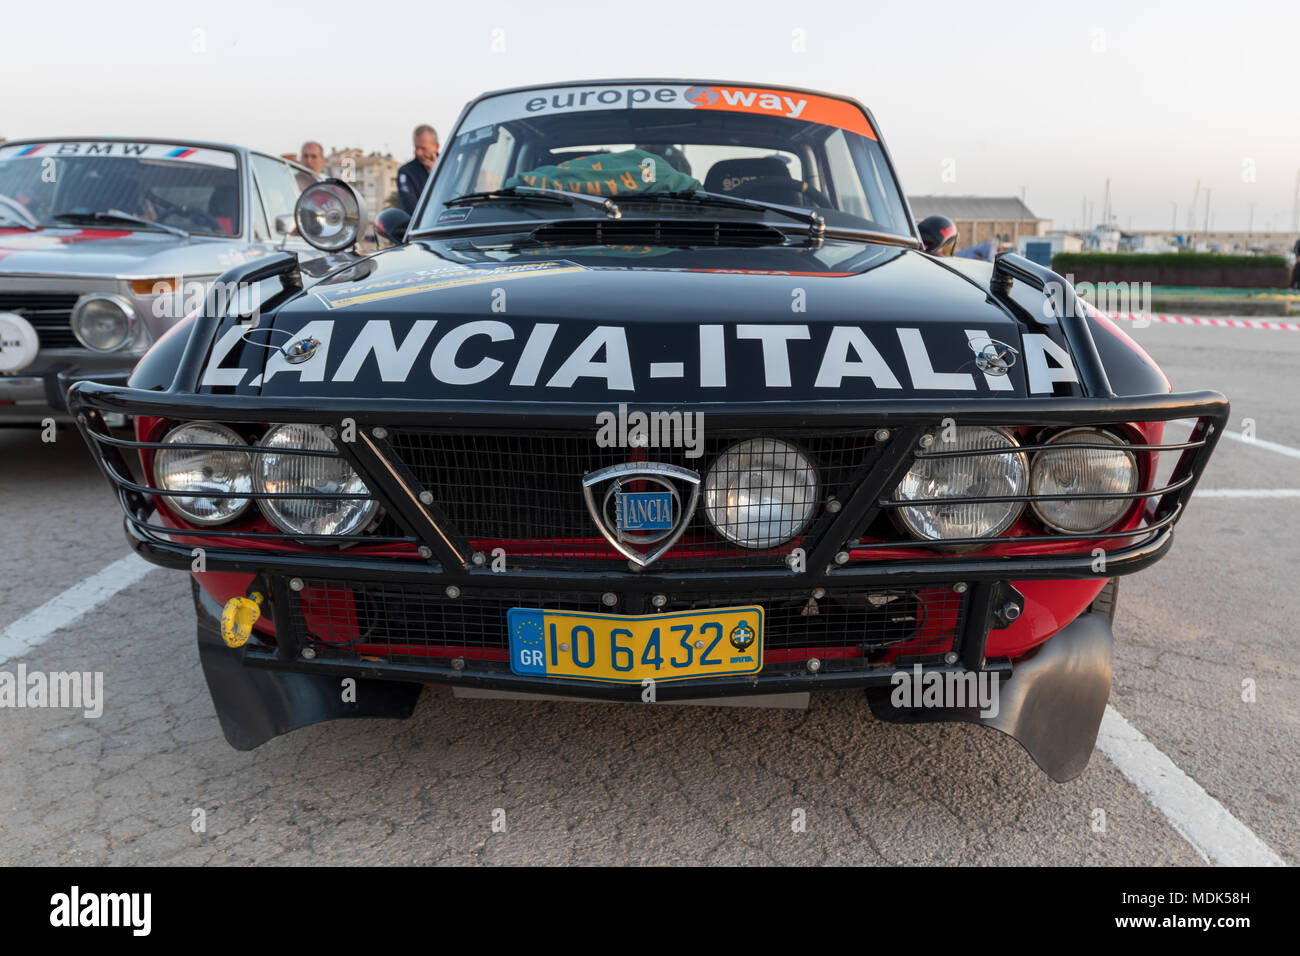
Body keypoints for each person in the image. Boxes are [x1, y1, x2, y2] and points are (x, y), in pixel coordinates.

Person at [397, 125, 439, 214]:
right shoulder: (405, 173)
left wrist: (436, 173)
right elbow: (412, 209)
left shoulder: (451, 166)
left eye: (423, 148)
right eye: (416, 148)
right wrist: (431, 176)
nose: (419, 153)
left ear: (436, 147)